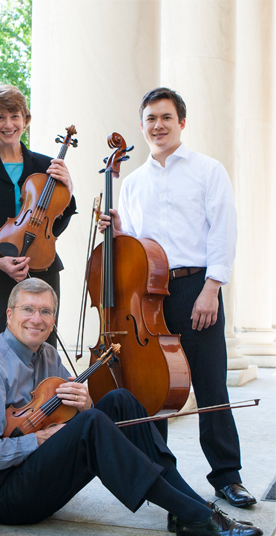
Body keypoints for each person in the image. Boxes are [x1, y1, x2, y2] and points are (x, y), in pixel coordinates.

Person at [0, 279, 262, 536]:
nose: (37, 319)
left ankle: (186, 507)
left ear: (53, 319)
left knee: (119, 401)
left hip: (40, 475)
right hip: (7, 497)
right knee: (92, 424)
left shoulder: (47, 355)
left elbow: (71, 419)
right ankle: (195, 516)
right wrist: (39, 440)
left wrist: (84, 402)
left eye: (45, 312)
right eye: (28, 310)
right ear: (9, 315)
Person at [98, 87, 255, 508]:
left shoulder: (208, 170)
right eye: (150, 118)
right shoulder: (131, 184)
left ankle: (227, 477)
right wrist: (113, 232)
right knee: (154, 390)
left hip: (195, 287)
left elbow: (223, 230)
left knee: (209, 384)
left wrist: (212, 288)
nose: (158, 125)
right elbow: (131, 245)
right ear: (143, 125)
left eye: (166, 117)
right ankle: (161, 477)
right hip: (148, 297)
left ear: (181, 122)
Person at [0, 84, 76, 348]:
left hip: (42, 270)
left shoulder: (46, 166)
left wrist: (69, 189)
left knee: (43, 349)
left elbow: (57, 220)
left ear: (25, 120)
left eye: (15, 116)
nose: (8, 124)